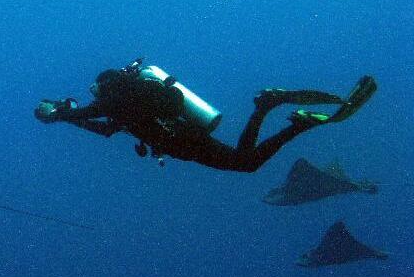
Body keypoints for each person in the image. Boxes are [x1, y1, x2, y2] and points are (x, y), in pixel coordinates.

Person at [34, 58, 376, 172]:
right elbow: (105, 130)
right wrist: (68, 116)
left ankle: (272, 110)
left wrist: (62, 116)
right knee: (247, 162)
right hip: (182, 138)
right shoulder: (125, 101)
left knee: (246, 163)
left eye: (98, 89)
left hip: (182, 141)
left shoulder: (116, 101)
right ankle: (288, 119)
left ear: (108, 87)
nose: (96, 94)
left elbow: (93, 116)